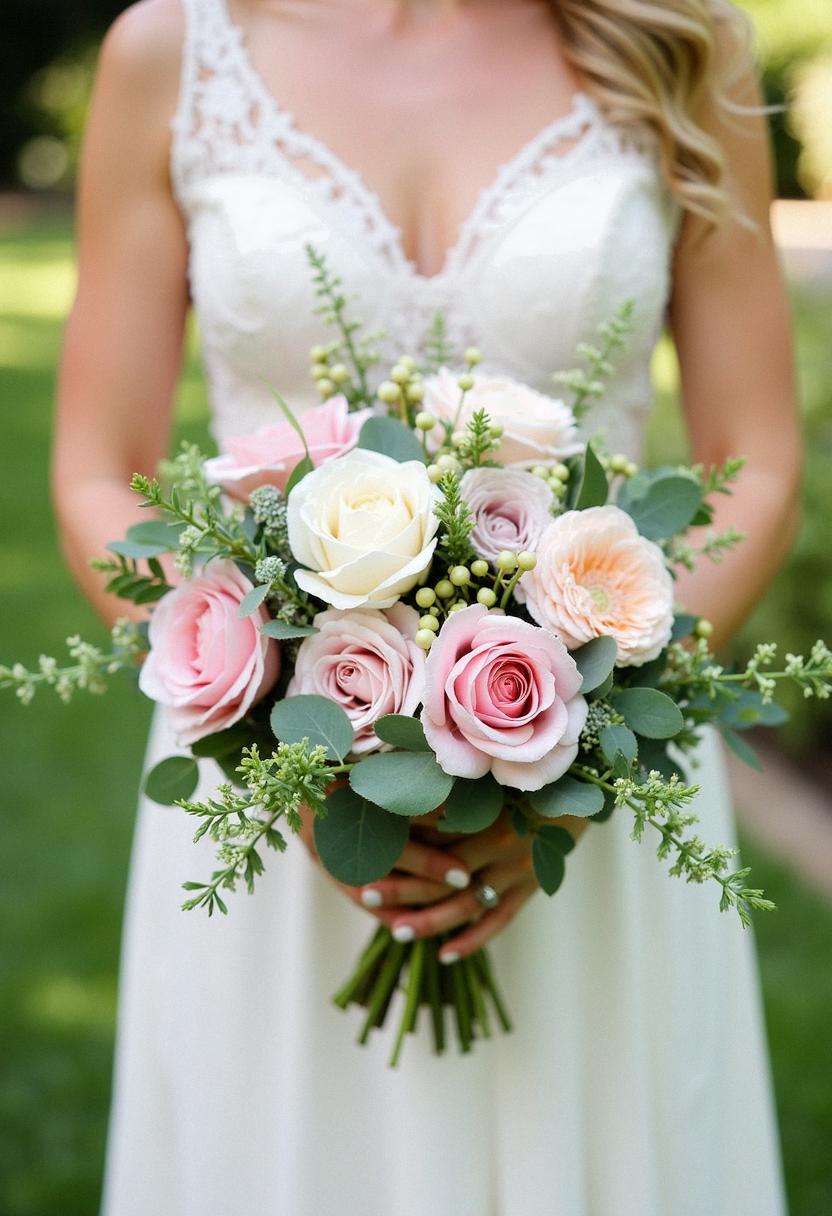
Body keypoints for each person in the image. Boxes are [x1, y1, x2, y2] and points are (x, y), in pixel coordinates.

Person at [52, 0, 800, 1212]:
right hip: (274, 805)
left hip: (595, 802)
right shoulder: (176, 52)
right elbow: (96, 469)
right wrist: (281, 752)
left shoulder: (677, 39)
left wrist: (576, 759)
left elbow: (756, 465)